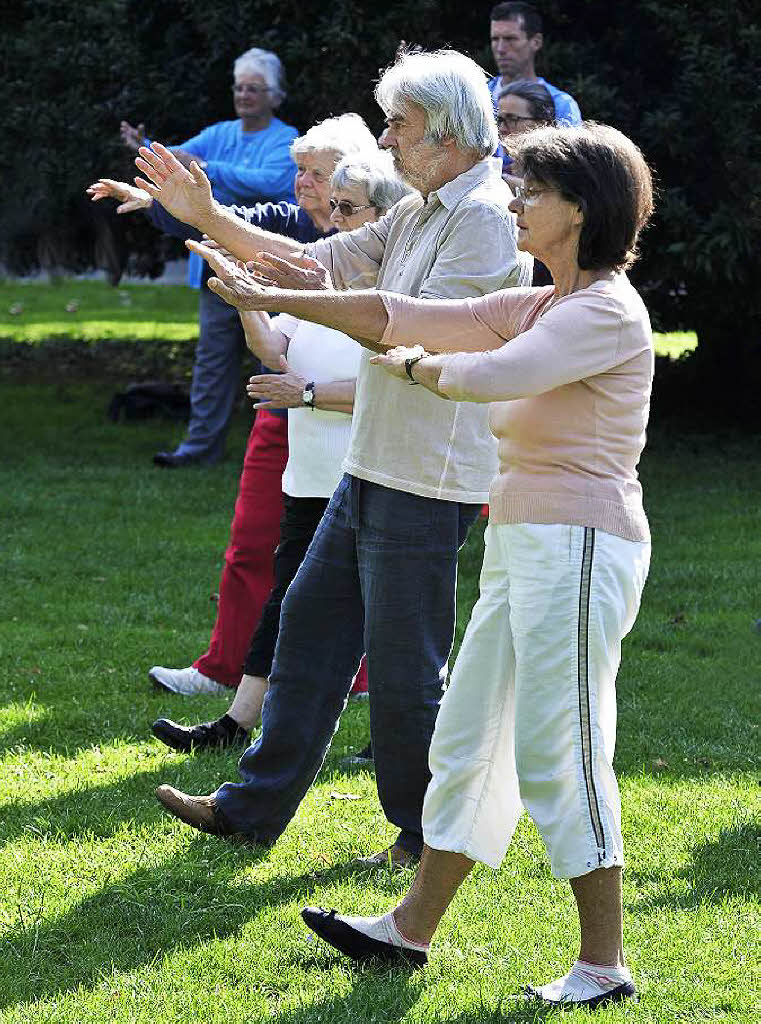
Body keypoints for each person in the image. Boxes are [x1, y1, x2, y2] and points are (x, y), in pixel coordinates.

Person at [212, 121, 655, 1009]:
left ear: (580, 209)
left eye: (533, 191)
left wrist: (412, 367)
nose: (517, 201)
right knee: (469, 739)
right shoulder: (540, 299)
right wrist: (278, 294)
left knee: (559, 746)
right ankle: (408, 930)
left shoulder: (602, 311)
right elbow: (399, 312)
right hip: (525, 544)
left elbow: (489, 374)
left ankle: (603, 965)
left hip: (579, 548)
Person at [135, 49, 531, 864]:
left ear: (450, 132)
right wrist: (204, 216)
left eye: (399, 125)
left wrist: (276, 296)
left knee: (403, 666)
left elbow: (407, 325)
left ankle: (423, 833)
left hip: (430, 471)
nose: (385, 141)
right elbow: (314, 262)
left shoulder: (486, 214)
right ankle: (251, 807)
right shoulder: (422, 207)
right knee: (310, 632)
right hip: (376, 460)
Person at [88, 115, 379, 696]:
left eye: (317, 174)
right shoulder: (287, 223)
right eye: (299, 170)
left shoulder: (384, 246)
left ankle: (363, 678)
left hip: (360, 422)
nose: (303, 184)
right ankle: (227, 671)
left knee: (366, 556)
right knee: (254, 541)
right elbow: (228, 228)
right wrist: (159, 204)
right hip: (285, 409)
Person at [148, 152, 412, 751]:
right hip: (310, 476)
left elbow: (399, 385)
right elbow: (275, 351)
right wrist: (246, 300)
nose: (335, 218)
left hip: (370, 474)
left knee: (392, 610)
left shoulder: (397, 300)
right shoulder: (322, 289)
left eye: (350, 209)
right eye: (336, 207)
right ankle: (235, 724)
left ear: (385, 218)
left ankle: (400, 734)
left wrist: (310, 394)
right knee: (288, 599)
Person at [121, 48, 299, 467]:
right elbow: (174, 164)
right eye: (238, 87)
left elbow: (272, 181)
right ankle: (199, 450)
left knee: (277, 358)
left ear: (275, 96)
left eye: (253, 88)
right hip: (216, 270)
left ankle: (281, 451)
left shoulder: (287, 139)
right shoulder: (219, 133)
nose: (243, 95)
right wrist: (145, 146)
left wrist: (206, 173)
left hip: (267, 271)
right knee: (212, 363)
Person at [496, 79, 556, 284]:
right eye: (499, 120)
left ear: (542, 124)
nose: (503, 128)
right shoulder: (500, 170)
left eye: (512, 119)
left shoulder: (561, 179)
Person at [488, 3, 581, 126]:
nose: (500, 48)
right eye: (495, 39)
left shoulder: (561, 105)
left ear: (536, 42)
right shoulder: (477, 96)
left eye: (510, 39)